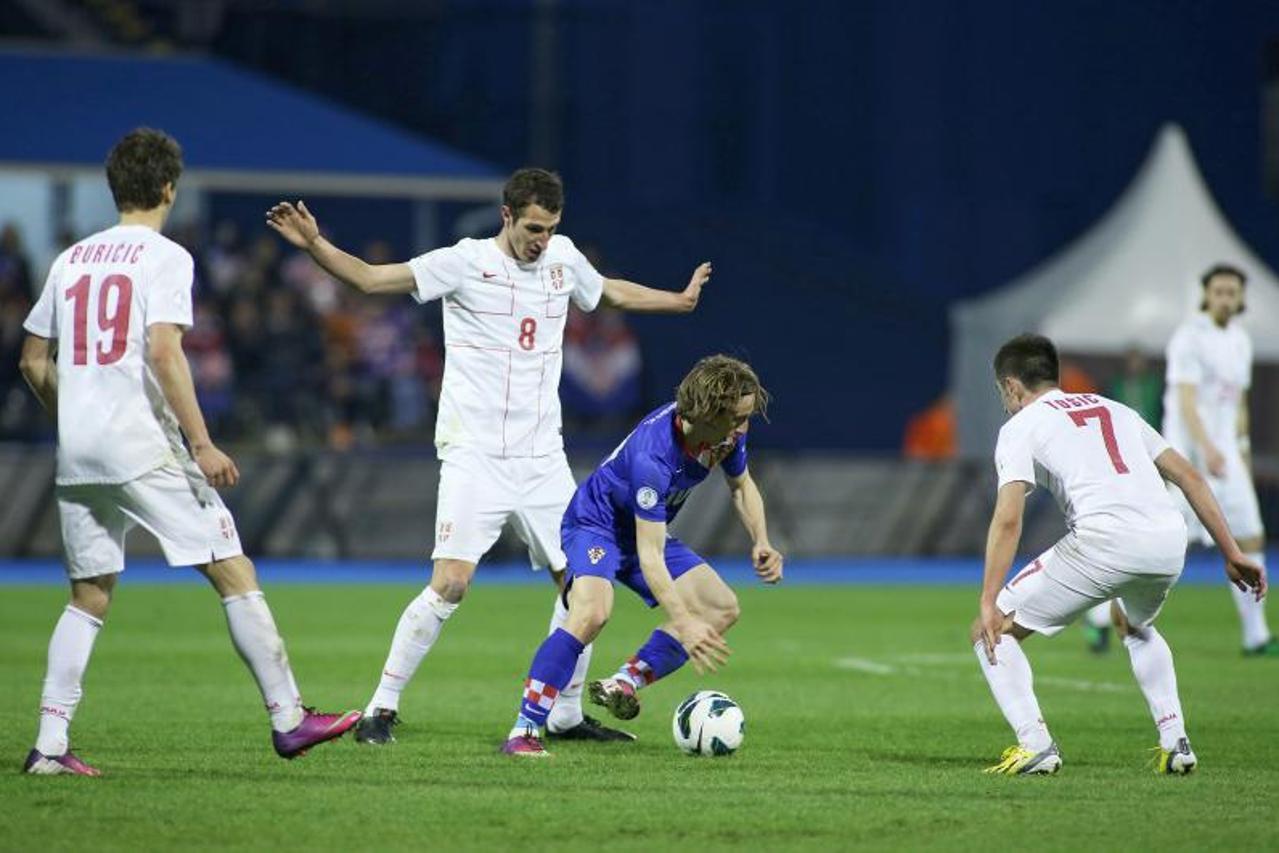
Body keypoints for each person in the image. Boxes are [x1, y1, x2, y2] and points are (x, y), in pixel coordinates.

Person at [266, 169, 710, 745]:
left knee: (583, 586)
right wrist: (316, 245)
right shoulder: (463, 261)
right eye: (532, 228)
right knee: (450, 582)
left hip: (542, 458)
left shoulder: (563, 258)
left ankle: (566, 714)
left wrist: (677, 301)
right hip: (474, 453)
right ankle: (381, 706)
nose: (541, 240)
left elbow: (611, 291)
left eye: (550, 229)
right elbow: (373, 280)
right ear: (505, 215)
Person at [18, 128, 360, 776]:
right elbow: (163, 349)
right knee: (233, 570)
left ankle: (50, 747)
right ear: (170, 188)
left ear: (114, 186)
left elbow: (33, 359)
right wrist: (200, 442)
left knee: (88, 594)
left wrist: (73, 415)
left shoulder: (70, 259)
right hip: (142, 444)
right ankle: (288, 716)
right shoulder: (166, 257)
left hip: (79, 450)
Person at [973, 334, 1264, 775]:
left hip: (1104, 542)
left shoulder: (1019, 426)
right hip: (1168, 540)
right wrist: (1232, 552)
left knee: (990, 632)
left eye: (1002, 393)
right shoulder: (1115, 408)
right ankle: (1176, 742)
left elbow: (1009, 519)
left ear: (1012, 387)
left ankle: (1036, 745)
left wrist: (989, 599)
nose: (1005, 402)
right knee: (1134, 623)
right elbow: (1189, 477)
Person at [501, 355, 783, 757]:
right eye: (737, 418)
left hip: (642, 531)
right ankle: (524, 729)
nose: (744, 427)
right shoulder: (655, 456)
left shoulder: (724, 434)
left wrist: (762, 540)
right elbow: (650, 557)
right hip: (595, 526)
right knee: (592, 613)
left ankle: (624, 683)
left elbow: (741, 485)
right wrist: (683, 622)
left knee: (721, 608)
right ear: (707, 414)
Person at [1162, 264, 1275, 656]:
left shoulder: (1241, 340)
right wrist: (1206, 448)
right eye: (1219, 290)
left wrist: (1238, 451)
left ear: (1241, 298)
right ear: (1206, 294)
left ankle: (1256, 635)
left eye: (1232, 291)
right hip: (1188, 457)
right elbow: (1186, 402)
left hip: (1226, 456)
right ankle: (1103, 618)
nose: (1225, 297)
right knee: (1159, 541)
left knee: (1250, 536)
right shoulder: (1189, 337)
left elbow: (1238, 404)